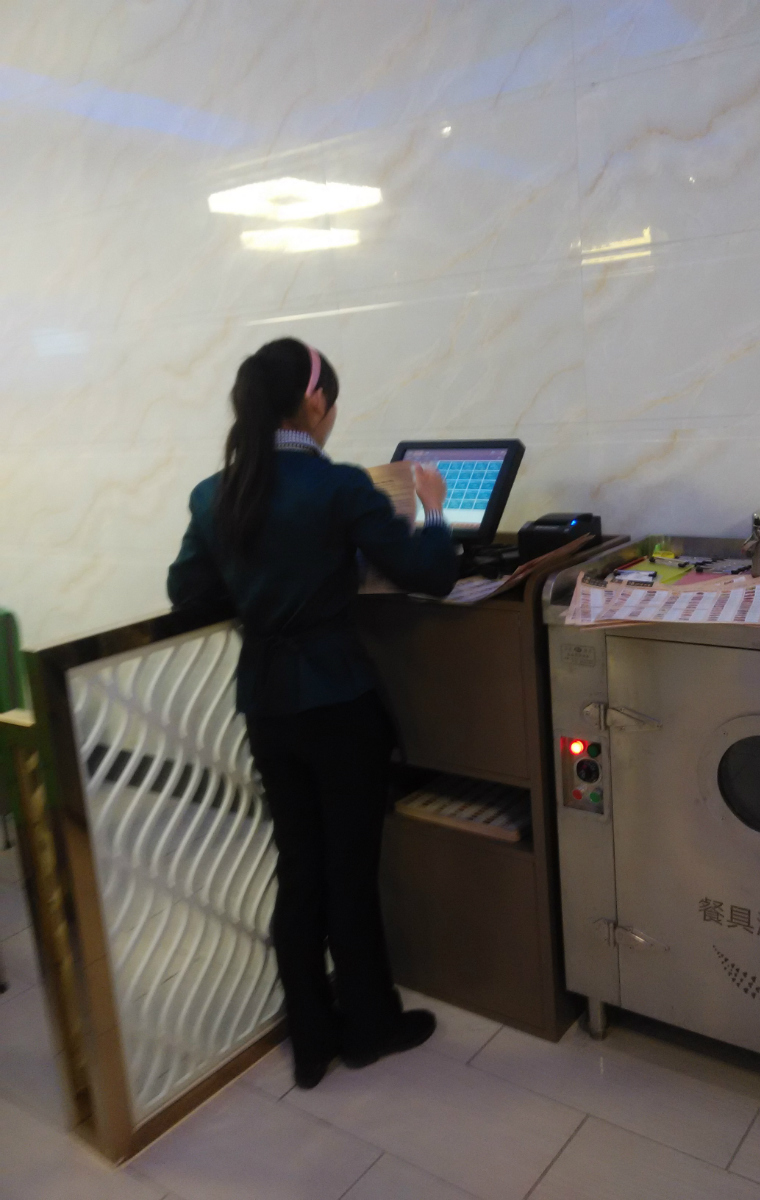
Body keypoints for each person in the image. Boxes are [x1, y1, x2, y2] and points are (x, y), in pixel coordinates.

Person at [167, 337, 457, 1088]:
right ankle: (370, 1027)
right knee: (349, 870)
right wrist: (433, 509)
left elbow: (188, 595)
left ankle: (310, 1038)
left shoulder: (214, 493)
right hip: (337, 701)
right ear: (315, 402)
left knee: (299, 867)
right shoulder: (338, 487)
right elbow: (430, 573)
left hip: (266, 704)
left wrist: (263, 589)